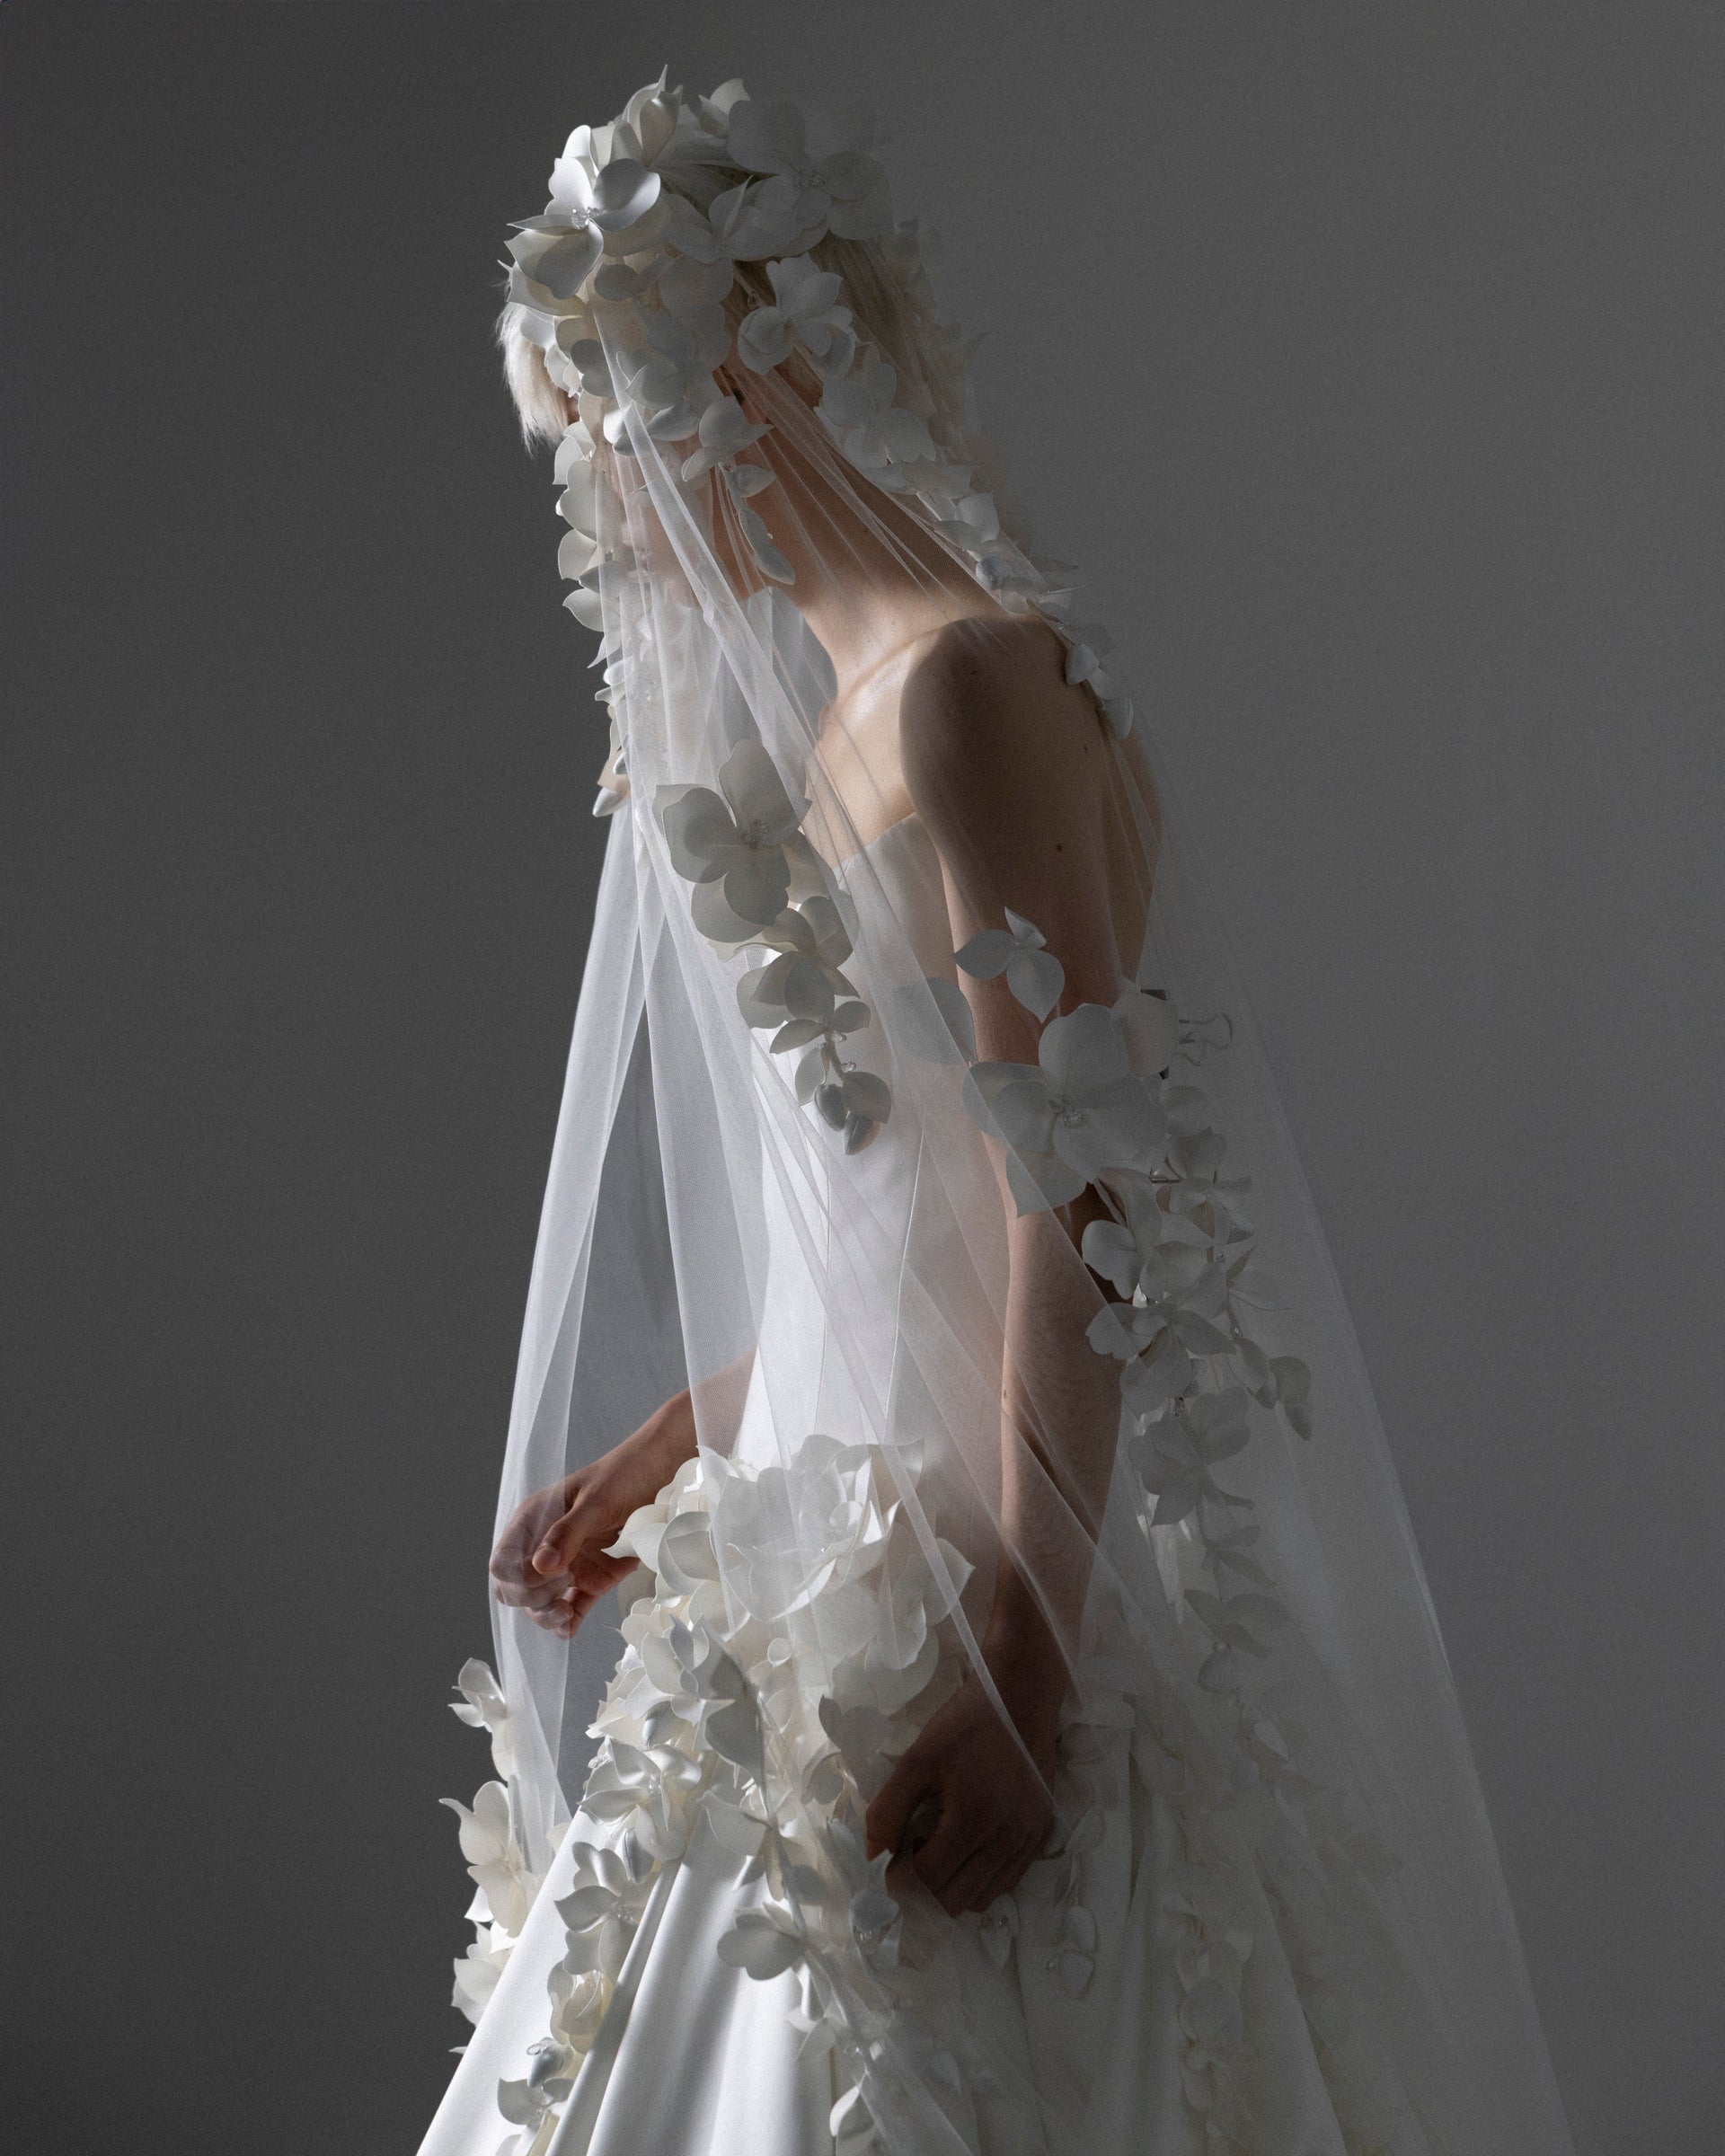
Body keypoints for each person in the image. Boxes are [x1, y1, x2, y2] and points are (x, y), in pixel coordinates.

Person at [418, 72, 1578, 2156]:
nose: (626, 517)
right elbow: (927, 1219)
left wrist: (1029, 1656)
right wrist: (685, 1436)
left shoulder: (968, 682)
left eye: (628, 444)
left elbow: (1082, 1193)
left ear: (755, 373)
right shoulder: (863, 711)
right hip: (831, 1573)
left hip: (966, 1595)